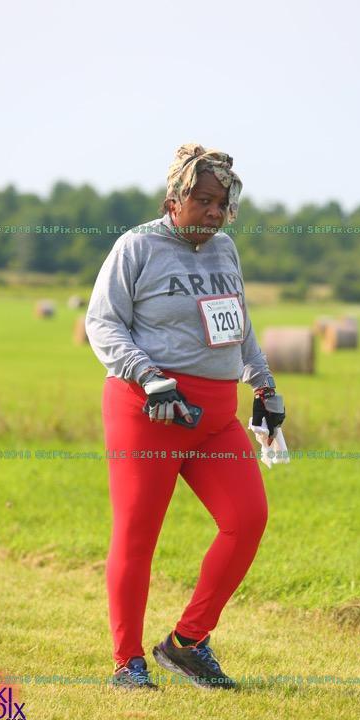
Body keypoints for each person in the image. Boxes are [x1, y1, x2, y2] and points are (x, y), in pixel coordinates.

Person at [85, 143, 285, 691]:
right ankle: (127, 661)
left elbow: (240, 325)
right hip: (150, 410)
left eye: (222, 203)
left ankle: (188, 642)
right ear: (174, 198)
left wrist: (264, 383)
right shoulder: (137, 246)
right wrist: (148, 376)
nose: (215, 213)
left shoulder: (225, 250)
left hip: (215, 417)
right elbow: (102, 323)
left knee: (247, 519)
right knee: (137, 536)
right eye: (203, 201)